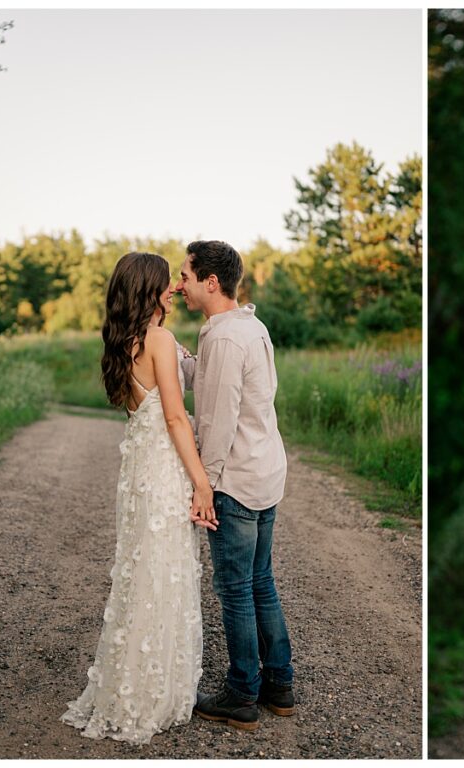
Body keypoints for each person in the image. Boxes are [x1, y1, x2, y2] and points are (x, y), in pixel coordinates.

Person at [61, 252, 216, 745]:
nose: (173, 287)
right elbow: (175, 418)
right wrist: (201, 481)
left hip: (137, 474)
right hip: (164, 471)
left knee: (142, 571)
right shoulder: (160, 340)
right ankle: (154, 691)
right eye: (165, 282)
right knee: (163, 569)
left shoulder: (124, 342)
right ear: (150, 289)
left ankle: (132, 686)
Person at [174, 240, 295, 732]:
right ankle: (280, 686)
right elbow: (220, 386)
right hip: (265, 471)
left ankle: (242, 693)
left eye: (185, 274)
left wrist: (206, 486)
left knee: (236, 590)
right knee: (260, 581)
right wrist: (179, 356)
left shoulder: (224, 338)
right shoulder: (247, 326)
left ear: (210, 281)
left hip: (237, 481)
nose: (178, 283)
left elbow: (218, 421)